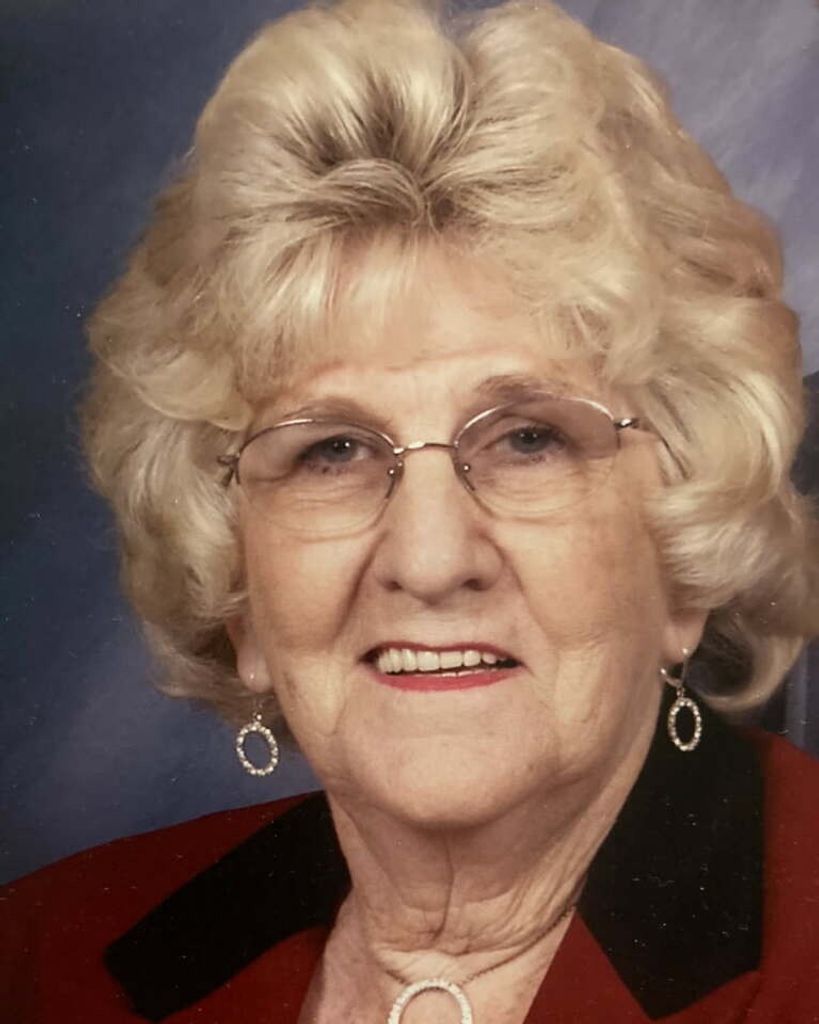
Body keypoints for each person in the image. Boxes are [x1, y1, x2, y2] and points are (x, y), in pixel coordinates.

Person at [3, 0, 819, 1020]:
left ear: (687, 556)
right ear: (237, 592)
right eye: (332, 451)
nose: (430, 558)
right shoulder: (44, 961)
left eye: (528, 439)